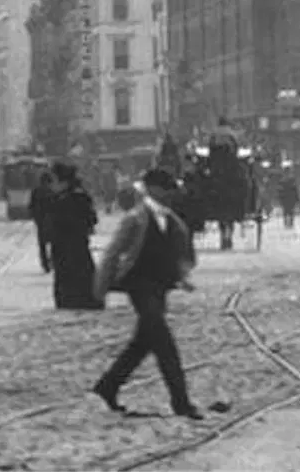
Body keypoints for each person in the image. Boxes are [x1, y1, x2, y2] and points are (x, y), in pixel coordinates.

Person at [91, 169, 205, 420]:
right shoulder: (136, 218)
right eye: (166, 189)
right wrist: (100, 288)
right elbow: (112, 252)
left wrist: (181, 276)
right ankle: (181, 402)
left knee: (142, 343)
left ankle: (107, 387)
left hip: (160, 286)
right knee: (164, 343)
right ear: (153, 189)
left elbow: (179, 251)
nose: (170, 194)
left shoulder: (171, 219)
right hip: (139, 285)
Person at [47, 162, 103, 310]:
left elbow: (90, 220)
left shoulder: (75, 198)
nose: (51, 185)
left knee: (75, 283)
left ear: (63, 182)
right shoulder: (61, 198)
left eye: (53, 180)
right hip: (68, 250)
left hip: (72, 249)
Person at [29, 169, 56, 274]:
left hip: (41, 222)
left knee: (42, 245)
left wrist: (36, 218)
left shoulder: (36, 191)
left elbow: (32, 206)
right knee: (54, 243)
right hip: (53, 221)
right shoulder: (53, 191)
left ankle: (45, 264)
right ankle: (52, 261)